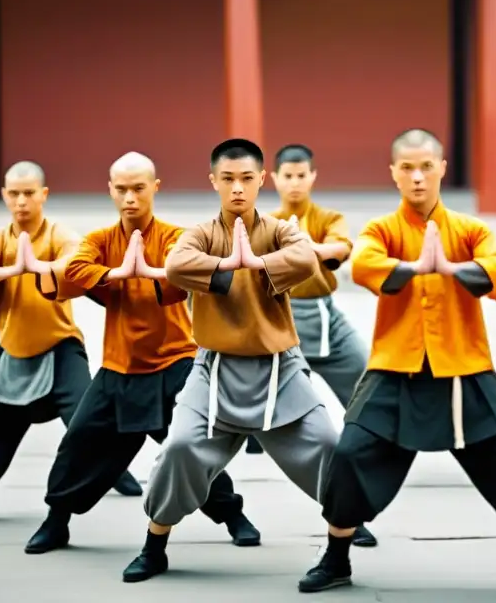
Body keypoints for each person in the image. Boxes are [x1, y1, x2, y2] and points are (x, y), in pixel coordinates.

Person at [299, 129, 496, 597]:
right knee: (351, 455)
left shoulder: (470, 229)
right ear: (393, 173)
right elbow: (365, 267)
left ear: (442, 169)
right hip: (395, 369)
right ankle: (336, 558)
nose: (418, 177)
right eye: (408, 168)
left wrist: (450, 269)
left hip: (465, 370)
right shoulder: (382, 229)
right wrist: (416, 268)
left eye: (426, 166)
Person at [123, 139, 363, 584]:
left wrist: (256, 260)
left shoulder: (280, 229)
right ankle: (155, 545)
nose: (237, 189)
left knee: (331, 448)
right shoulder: (198, 234)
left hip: (280, 370)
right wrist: (228, 265)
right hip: (214, 370)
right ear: (213, 181)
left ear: (261, 181)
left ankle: (338, 556)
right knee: (178, 450)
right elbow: (177, 265)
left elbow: (305, 257)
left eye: (247, 179)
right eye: (228, 179)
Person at [24, 152, 258, 553]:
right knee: (78, 446)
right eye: (122, 189)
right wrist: (117, 273)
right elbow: (74, 270)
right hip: (119, 366)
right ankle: (56, 521)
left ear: (155, 188)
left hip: (175, 364)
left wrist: (149, 274)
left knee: (190, 454)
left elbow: (187, 273)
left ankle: (233, 515)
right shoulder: (99, 241)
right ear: (110, 190)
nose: (130, 197)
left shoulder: (176, 237)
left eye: (138, 188)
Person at [0, 161, 141, 524]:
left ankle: (113, 471)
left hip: (61, 347)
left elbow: (77, 261)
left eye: (29, 193)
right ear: (4, 195)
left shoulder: (58, 234)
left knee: (90, 418)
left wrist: (42, 268)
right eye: (14, 194)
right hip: (13, 352)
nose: (21, 201)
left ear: (43, 195)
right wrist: (13, 269)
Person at [257, 144, 378, 547]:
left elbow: (341, 248)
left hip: (327, 320)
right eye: (286, 175)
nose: (294, 182)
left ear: (312, 177)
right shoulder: (262, 222)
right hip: (280, 320)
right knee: (268, 408)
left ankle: (375, 447)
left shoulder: (328, 218)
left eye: (300, 175)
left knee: (368, 385)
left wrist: (309, 248)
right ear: (274, 179)